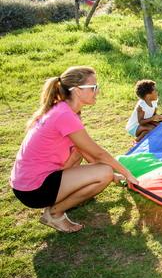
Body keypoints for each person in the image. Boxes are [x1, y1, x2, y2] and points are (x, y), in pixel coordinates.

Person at [10, 66, 138, 233]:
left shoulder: (64, 109)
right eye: (93, 88)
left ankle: (59, 201)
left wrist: (111, 176)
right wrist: (126, 173)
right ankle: (55, 213)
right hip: (33, 189)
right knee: (104, 172)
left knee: (94, 166)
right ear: (77, 91)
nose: (97, 91)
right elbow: (98, 153)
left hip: (28, 182)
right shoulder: (65, 115)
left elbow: (83, 150)